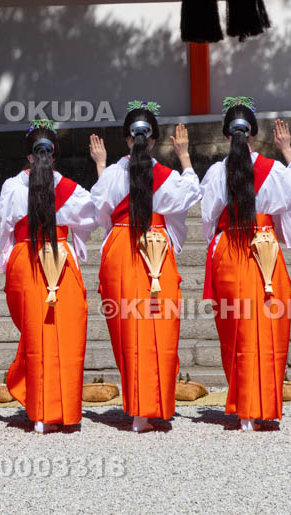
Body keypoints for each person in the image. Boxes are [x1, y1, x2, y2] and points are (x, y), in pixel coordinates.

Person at [200, 97, 291, 431]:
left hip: (229, 250)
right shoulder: (273, 169)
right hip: (263, 250)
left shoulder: (216, 172)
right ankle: (264, 405)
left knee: (235, 331)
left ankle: (244, 408)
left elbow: (208, 220)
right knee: (268, 328)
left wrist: (219, 241)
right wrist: (288, 150)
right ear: (253, 136)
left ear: (225, 135)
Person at [89, 102, 201, 432]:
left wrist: (100, 167)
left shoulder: (111, 174)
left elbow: (100, 208)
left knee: (128, 328)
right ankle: (150, 406)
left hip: (122, 248)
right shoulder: (166, 177)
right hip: (156, 249)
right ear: (153, 141)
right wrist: (184, 157)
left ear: (127, 139)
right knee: (159, 327)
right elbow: (189, 194)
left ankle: (137, 408)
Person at [0, 120, 99, 433]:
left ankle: (40, 409)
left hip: (25, 259)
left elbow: (6, 227)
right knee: (65, 336)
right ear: (53, 155)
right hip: (60, 258)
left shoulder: (13, 187)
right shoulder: (70, 190)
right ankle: (60, 408)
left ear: (29, 156)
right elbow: (91, 215)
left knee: (35, 335)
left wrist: (7, 262)